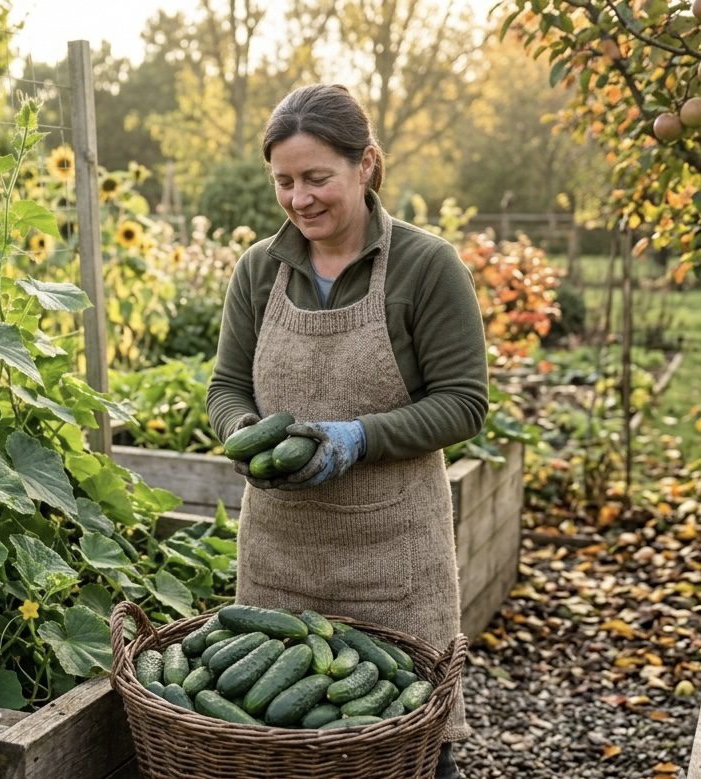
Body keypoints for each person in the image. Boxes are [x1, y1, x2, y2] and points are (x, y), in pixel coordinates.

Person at [206, 83, 488, 778]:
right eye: (284, 181)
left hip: (395, 567)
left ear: (365, 165)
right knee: (280, 754)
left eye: (316, 177)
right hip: (278, 564)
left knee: (411, 754)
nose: (299, 198)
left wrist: (357, 437)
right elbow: (225, 387)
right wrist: (243, 429)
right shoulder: (258, 271)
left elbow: (464, 402)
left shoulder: (426, 267)